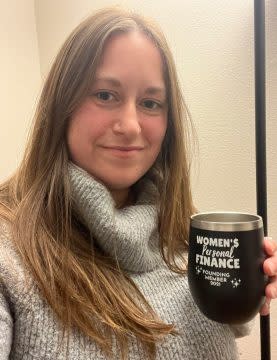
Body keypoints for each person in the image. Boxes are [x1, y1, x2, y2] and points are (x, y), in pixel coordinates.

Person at [0, 6, 276, 360]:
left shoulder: (185, 234)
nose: (131, 125)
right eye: (105, 95)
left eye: (150, 102)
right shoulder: (9, 255)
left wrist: (246, 291)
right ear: (61, 105)